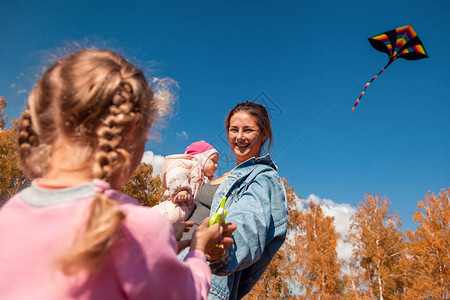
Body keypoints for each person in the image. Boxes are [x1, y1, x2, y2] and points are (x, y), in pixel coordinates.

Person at [0, 49, 234, 299]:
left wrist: (159, 247)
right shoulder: (137, 227)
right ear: (133, 132)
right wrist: (198, 250)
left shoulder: (10, 213)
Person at [185, 101, 288, 299]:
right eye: (234, 130)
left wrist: (223, 249)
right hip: (174, 264)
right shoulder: (219, 177)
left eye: (247, 130)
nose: (239, 137)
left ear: (264, 134)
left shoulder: (263, 176)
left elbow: (249, 219)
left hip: (202, 276)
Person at [155, 141, 219, 223]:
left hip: (186, 212)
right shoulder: (189, 165)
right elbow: (177, 172)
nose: (216, 165)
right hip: (177, 204)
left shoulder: (205, 180)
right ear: (201, 158)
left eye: (217, 162)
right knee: (163, 216)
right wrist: (181, 189)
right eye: (213, 161)